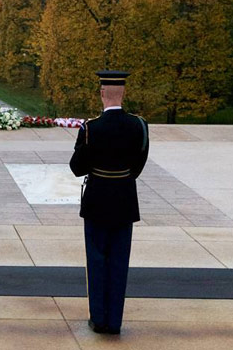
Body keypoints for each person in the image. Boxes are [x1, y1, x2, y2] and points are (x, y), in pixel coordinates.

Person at [69, 70, 149, 335]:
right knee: (118, 262)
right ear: (123, 93)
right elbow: (138, 165)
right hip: (125, 200)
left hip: (97, 200)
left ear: (102, 93)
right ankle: (114, 322)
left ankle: (99, 319)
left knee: (97, 260)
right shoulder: (139, 125)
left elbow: (77, 168)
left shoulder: (91, 127)